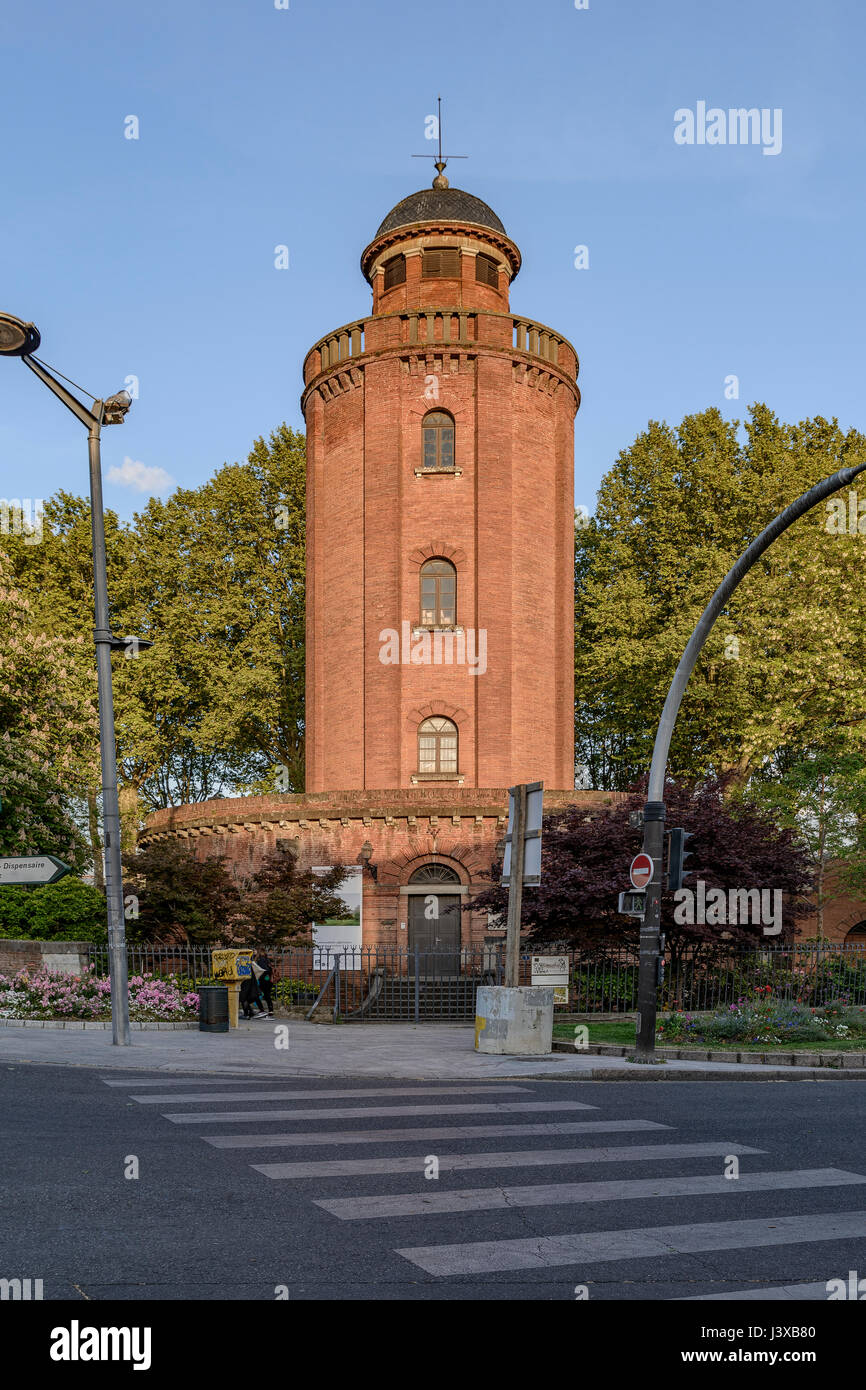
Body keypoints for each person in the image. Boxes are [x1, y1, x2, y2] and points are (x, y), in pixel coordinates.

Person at [254, 951, 275, 1018]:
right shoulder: (267, 960)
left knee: (256, 994)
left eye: (255, 951)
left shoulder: (261, 960)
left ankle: (262, 1010)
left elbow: (263, 970)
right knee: (267, 995)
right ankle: (270, 1010)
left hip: (264, 980)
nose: (254, 952)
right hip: (268, 981)